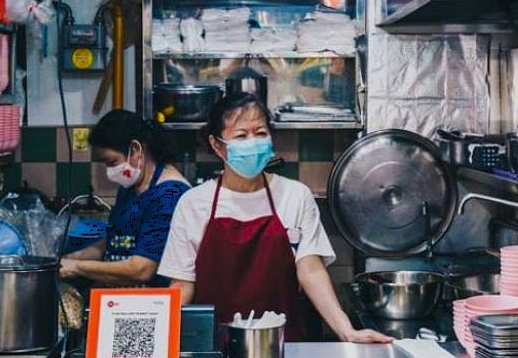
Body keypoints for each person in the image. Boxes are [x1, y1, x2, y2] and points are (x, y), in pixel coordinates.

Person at [158, 93, 391, 343]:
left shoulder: (295, 196)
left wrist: (346, 331)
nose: (253, 142)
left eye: (260, 133)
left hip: (283, 347)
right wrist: (157, 342)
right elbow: (182, 285)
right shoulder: (194, 203)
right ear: (217, 145)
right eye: (241, 135)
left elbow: (310, 270)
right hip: (215, 348)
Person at [59, 110, 189, 286]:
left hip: (152, 305)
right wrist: (68, 259)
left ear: (135, 149)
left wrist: (77, 267)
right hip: (122, 299)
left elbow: (142, 269)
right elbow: (114, 239)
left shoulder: (170, 194)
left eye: (112, 162)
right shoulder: (130, 187)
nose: (109, 171)